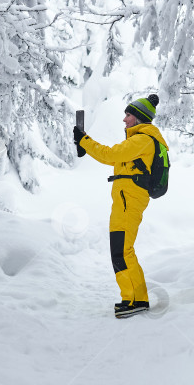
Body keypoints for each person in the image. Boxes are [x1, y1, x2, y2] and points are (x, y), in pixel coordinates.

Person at [73, 94, 168, 318]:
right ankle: (133, 298)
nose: (124, 119)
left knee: (123, 251)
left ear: (139, 117)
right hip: (125, 201)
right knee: (121, 250)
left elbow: (111, 155)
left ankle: (136, 300)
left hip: (129, 201)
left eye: (128, 115)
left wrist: (84, 141)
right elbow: (116, 157)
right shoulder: (138, 140)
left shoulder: (143, 139)